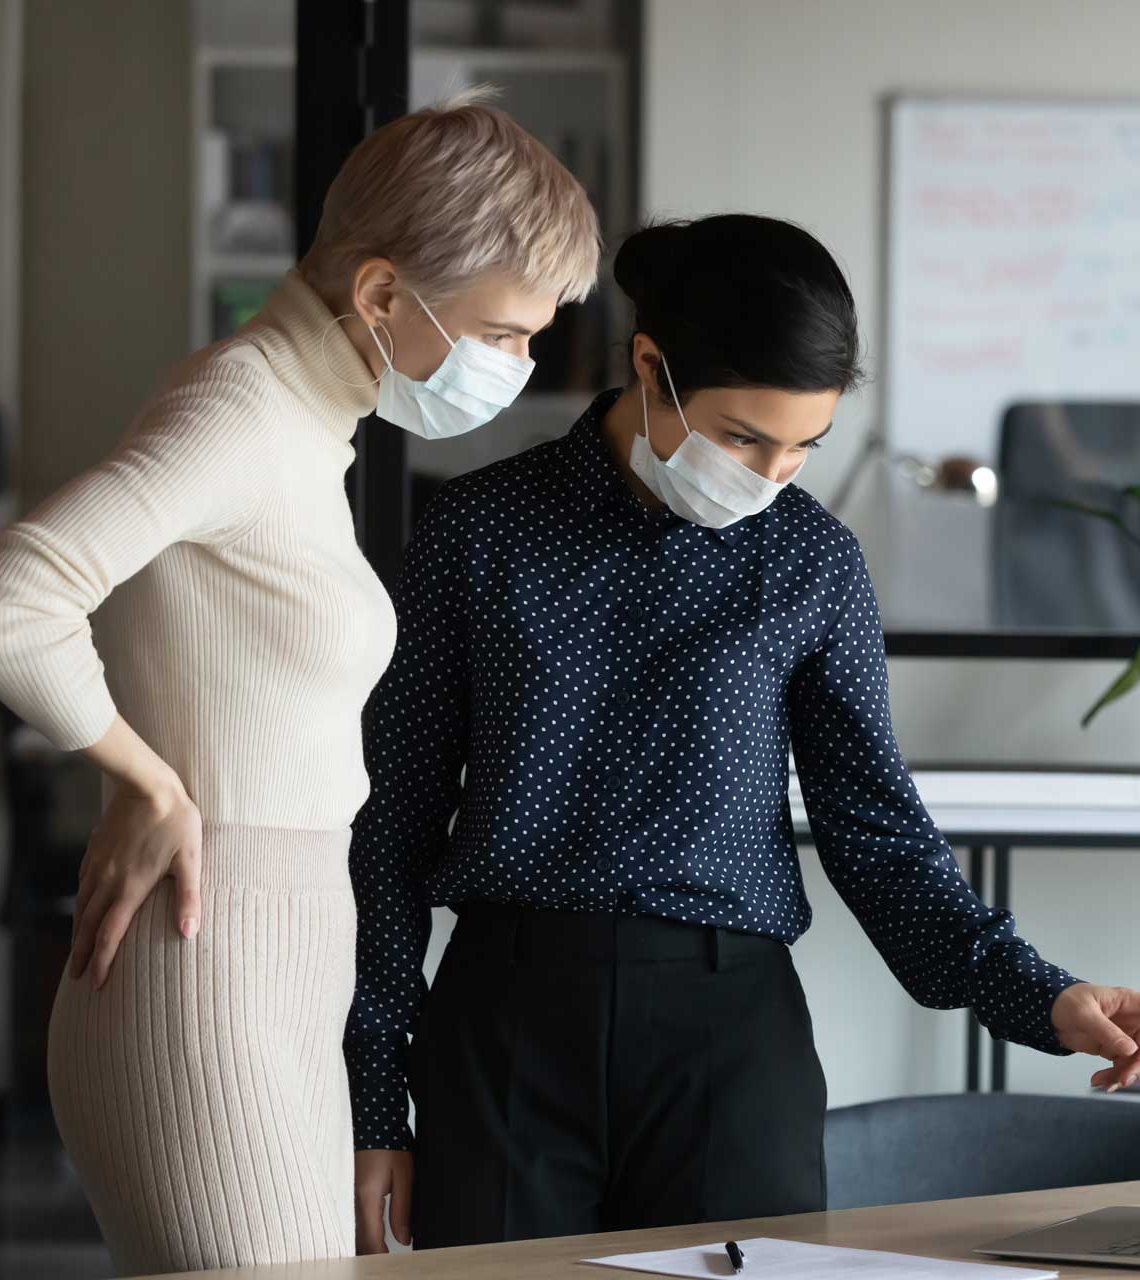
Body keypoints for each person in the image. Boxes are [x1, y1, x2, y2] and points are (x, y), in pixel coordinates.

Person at [346, 213, 1140, 1252]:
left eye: (802, 447)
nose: (769, 475)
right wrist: (375, 1103)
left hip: (727, 1041)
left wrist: (1041, 996)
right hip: (506, 1026)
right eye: (740, 437)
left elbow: (877, 833)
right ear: (649, 366)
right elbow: (390, 823)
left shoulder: (812, 561)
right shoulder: (477, 529)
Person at [0, 91, 600, 1276]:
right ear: (382, 293)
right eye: (503, 333)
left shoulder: (304, 420)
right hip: (206, 957)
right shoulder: (240, 406)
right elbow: (2, 601)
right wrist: (146, 783)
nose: (518, 365)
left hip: (276, 947)